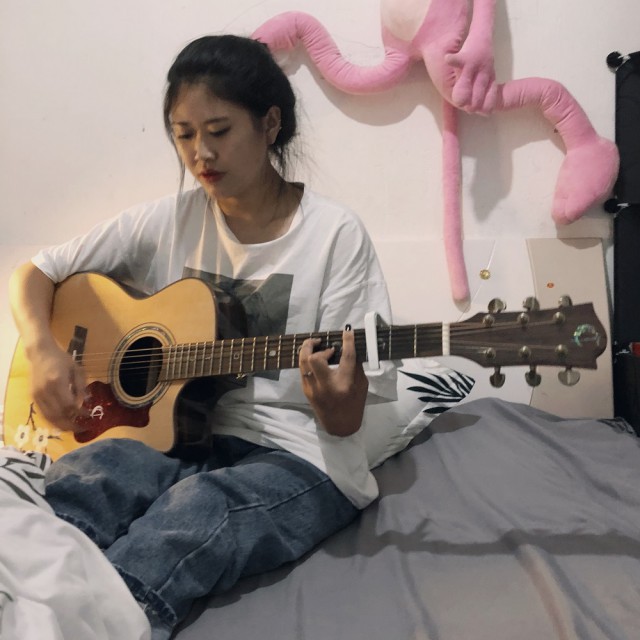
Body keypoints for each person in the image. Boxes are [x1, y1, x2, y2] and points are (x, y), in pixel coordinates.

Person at [8, 34, 395, 638]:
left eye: (218, 131)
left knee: (197, 513)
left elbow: (347, 422)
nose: (200, 153)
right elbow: (37, 272)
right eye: (183, 134)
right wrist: (43, 349)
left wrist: (337, 407)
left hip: (297, 456)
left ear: (270, 125)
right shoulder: (171, 218)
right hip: (178, 440)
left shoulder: (336, 235)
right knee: (92, 475)